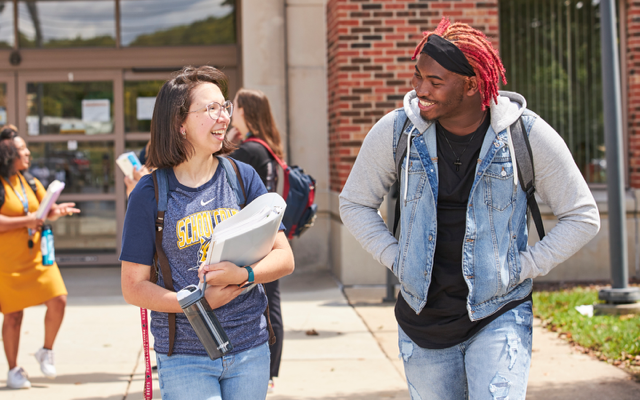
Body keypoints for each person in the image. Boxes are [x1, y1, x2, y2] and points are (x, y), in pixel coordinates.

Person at [339, 18, 600, 399]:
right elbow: (355, 203)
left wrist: (523, 267)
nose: (420, 90)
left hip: (499, 314)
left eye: (435, 81)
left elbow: (582, 215)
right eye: (418, 77)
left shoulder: (523, 134)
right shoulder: (397, 132)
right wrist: (397, 258)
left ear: (472, 84)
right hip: (422, 321)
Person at [120, 66, 295, 399]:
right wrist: (196, 303)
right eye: (211, 109)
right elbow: (133, 287)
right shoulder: (150, 193)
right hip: (185, 356)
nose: (224, 117)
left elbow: (284, 257)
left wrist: (244, 274)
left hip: (250, 348)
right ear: (179, 123)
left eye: (224, 106)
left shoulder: (243, 177)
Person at [0, 128, 80, 389]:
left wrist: (58, 211)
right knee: (13, 316)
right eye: (21, 150)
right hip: (8, 262)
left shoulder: (30, 182)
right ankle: (14, 370)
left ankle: (46, 350)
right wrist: (30, 220)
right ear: (6, 153)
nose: (27, 153)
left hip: (38, 258)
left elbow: (43, 212)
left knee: (59, 300)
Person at [230, 88, 285, 391]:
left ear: (245, 111)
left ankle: (262, 371)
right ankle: (271, 372)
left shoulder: (247, 150)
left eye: (234, 107)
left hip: (250, 238)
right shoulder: (269, 147)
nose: (230, 112)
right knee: (272, 301)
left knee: (258, 303)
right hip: (269, 232)